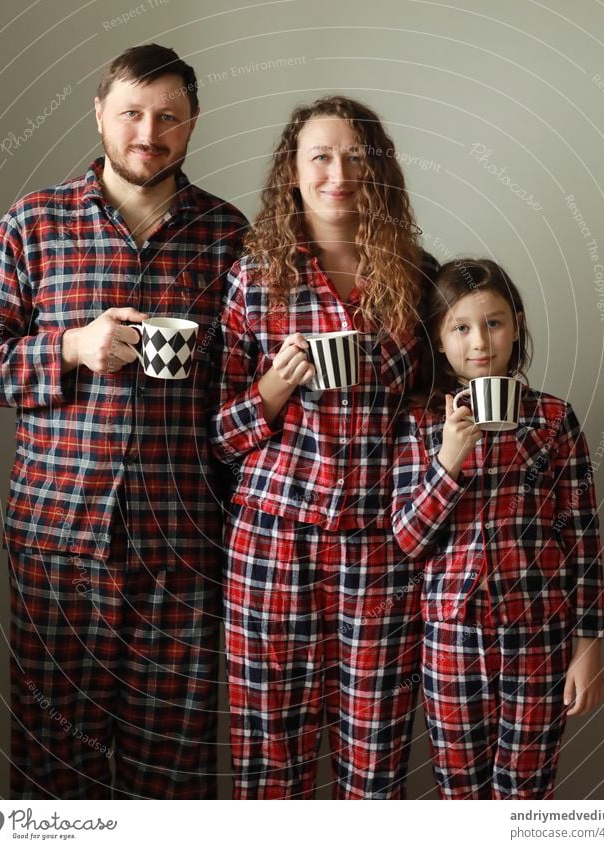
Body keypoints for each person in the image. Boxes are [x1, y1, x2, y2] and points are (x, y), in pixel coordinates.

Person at [0, 44, 247, 799]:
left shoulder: (228, 234)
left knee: (173, 776)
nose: (147, 132)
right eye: (130, 113)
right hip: (59, 542)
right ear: (99, 114)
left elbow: (245, 390)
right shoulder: (34, 222)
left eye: (167, 117)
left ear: (191, 124)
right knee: (56, 771)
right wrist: (69, 347)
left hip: (183, 547)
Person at [211, 95, 438, 799]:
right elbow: (219, 435)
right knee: (268, 758)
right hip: (272, 542)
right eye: (320, 155)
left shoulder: (419, 277)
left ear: (379, 172)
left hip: (378, 549)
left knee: (373, 761)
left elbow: (428, 417)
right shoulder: (255, 277)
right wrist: (274, 387)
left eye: (355, 156)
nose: (338, 172)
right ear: (293, 172)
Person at [390, 258, 604, 799]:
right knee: (460, 796)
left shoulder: (554, 420)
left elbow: (582, 539)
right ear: (439, 340)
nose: (479, 342)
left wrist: (587, 648)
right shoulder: (419, 426)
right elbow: (408, 540)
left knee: (526, 795)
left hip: (539, 634)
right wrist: (449, 460)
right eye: (460, 328)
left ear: (516, 326)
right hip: (451, 639)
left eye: (494, 323)